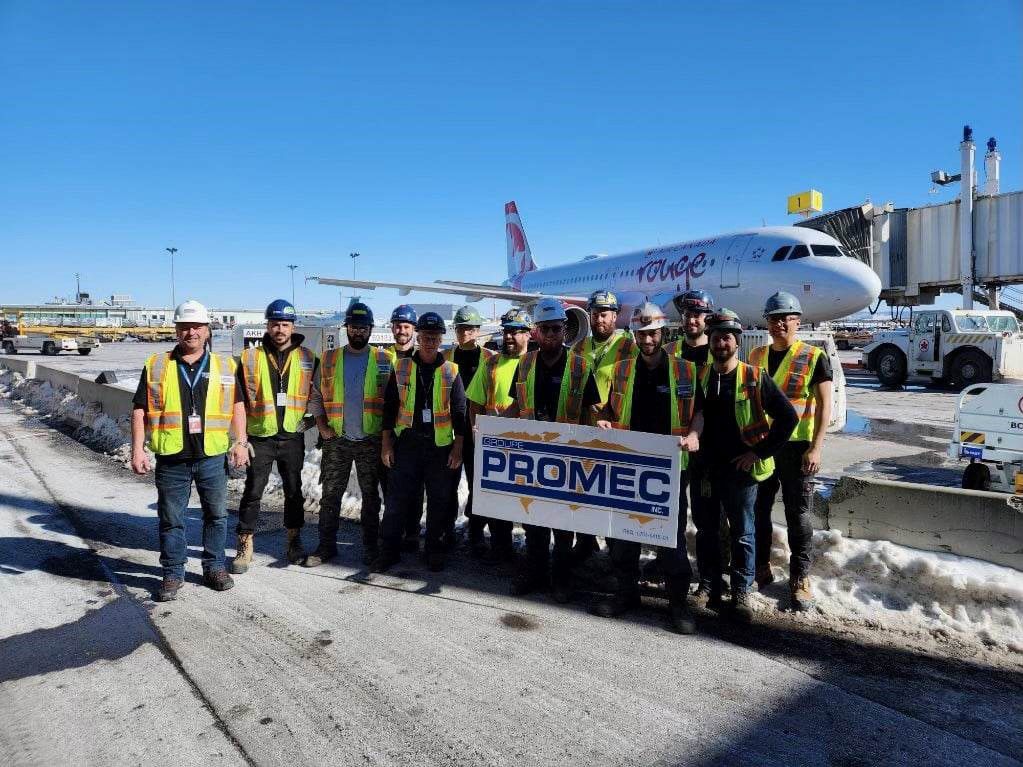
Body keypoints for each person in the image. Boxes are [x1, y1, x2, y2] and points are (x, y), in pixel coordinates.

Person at [130, 300, 249, 602]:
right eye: (185, 327)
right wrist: (137, 450)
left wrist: (240, 441)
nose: (191, 332)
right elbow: (140, 410)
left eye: (197, 327)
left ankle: (214, 567)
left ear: (207, 330)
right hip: (172, 459)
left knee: (217, 516)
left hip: (212, 457)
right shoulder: (157, 365)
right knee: (171, 519)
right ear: (177, 330)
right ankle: (173, 572)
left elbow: (237, 405)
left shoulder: (225, 366)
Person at [590, 302, 699, 634]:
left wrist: (695, 434)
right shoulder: (622, 370)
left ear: (662, 333)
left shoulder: (685, 370)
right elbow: (608, 409)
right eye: (641, 334)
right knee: (624, 532)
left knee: (670, 535)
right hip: (629, 463)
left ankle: (678, 602)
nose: (647, 339)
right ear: (634, 335)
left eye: (652, 333)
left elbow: (699, 411)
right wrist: (603, 420)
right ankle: (626, 593)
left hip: (669, 467)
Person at [689, 309, 797, 623]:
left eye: (727, 338)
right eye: (716, 338)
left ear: (737, 342)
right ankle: (708, 584)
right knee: (706, 531)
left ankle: (740, 592)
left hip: (740, 471)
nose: (721, 343)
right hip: (705, 468)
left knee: (742, 533)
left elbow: (788, 418)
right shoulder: (700, 377)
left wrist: (758, 453)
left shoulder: (754, 377)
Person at [503, 298, 595, 602]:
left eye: (556, 329)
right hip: (533, 457)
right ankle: (536, 573)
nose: (551, 335)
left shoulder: (580, 366)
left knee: (564, 523)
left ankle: (561, 579)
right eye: (545, 329)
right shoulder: (525, 364)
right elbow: (516, 405)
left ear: (564, 329)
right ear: (536, 332)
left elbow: (592, 411)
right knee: (533, 519)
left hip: (567, 457)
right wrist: (493, 428)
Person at [750, 291, 833, 611]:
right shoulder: (756, 356)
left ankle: (800, 577)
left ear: (798, 321)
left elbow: (825, 406)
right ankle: (760, 566)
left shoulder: (814, 356)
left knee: (797, 515)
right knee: (759, 509)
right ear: (767, 323)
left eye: (786, 318)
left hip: (798, 448)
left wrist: (816, 448)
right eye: (774, 318)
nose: (780, 324)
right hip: (763, 445)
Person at [371, 312, 466, 573]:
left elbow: (460, 412)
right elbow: (390, 408)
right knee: (396, 501)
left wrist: (458, 447)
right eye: (425, 337)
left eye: (434, 337)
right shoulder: (401, 367)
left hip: (439, 447)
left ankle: (433, 549)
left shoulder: (451, 371)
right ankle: (389, 551)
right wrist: (386, 444)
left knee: (438, 502)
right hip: (408, 445)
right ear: (418, 337)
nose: (430, 342)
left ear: (441, 339)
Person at [230, 299, 316, 574]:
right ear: (267, 325)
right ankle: (245, 544)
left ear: (293, 327)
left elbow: (319, 395)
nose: (280, 329)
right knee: (253, 491)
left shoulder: (307, 357)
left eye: (285, 324)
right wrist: (241, 439)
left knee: (294, 491)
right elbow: (238, 400)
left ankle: (293, 540)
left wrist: (310, 421)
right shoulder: (249, 358)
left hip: (292, 436)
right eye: (275, 324)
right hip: (260, 436)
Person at [305, 302, 393, 567]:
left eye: (363, 327)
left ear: (371, 329)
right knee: (330, 495)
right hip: (337, 440)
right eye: (354, 327)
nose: (358, 332)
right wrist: (322, 426)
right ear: (347, 328)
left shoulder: (384, 360)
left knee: (371, 497)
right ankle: (326, 547)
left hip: (370, 440)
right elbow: (316, 396)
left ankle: (370, 547)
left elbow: (394, 401)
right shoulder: (329, 359)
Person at [664, 289, 723, 606]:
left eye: (698, 315)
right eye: (687, 314)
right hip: (676, 446)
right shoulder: (670, 351)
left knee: (706, 519)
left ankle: (709, 579)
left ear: (707, 318)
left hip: (708, 448)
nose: (692, 320)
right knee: (671, 513)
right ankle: (670, 564)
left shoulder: (719, 352)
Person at [570, 289, 637, 561]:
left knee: (611, 492)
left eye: (605, 314)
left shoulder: (628, 348)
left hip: (614, 432)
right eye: (596, 313)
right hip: (583, 429)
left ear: (615, 316)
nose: (600, 319)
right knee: (583, 488)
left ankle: (615, 548)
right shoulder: (578, 348)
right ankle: (586, 542)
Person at [465, 308, 533, 563]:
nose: (509, 337)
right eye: (506, 331)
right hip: (496, 447)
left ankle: (532, 556)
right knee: (496, 500)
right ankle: (501, 549)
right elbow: (475, 403)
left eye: (516, 332)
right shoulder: (491, 364)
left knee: (528, 502)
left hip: (528, 447)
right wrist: (476, 431)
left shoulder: (535, 363)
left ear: (528, 334)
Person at [442, 305, 495, 555]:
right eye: (461, 328)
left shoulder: (489, 358)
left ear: (478, 330)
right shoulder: (446, 357)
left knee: (478, 485)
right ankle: (447, 528)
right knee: (447, 484)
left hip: (476, 430)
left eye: (470, 329)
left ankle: (476, 530)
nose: (465, 333)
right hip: (449, 431)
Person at [385, 303, 424, 552]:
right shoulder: (381, 357)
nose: (402, 330)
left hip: (414, 433)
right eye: (398, 326)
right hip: (388, 430)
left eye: (406, 326)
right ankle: (392, 533)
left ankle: (412, 532)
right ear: (392, 328)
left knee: (415, 488)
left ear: (414, 330)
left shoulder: (422, 357)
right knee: (390, 487)